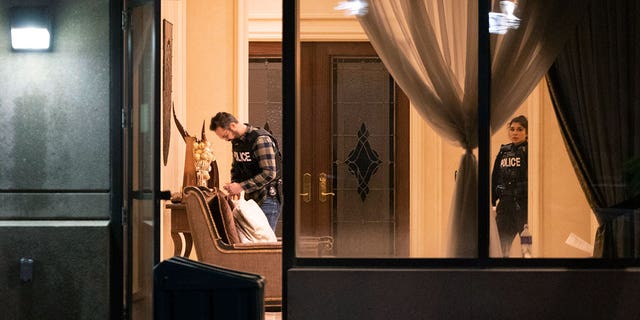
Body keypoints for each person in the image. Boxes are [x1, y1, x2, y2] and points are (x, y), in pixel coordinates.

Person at [209, 112, 282, 232]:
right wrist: (234, 184)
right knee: (252, 242)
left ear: (232, 126)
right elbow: (236, 167)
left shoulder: (260, 140)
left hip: (267, 198)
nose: (227, 139)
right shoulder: (237, 142)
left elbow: (269, 173)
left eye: (226, 135)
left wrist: (240, 186)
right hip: (251, 199)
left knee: (264, 244)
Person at [491, 115, 528, 257]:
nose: (515, 133)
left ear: (527, 132)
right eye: (512, 129)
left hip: (523, 206)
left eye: (520, 129)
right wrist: (492, 202)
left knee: (527, 243)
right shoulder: (504, 151)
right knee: (501, 245)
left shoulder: (531, 150)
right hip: (505, 206)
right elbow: (495, 177)